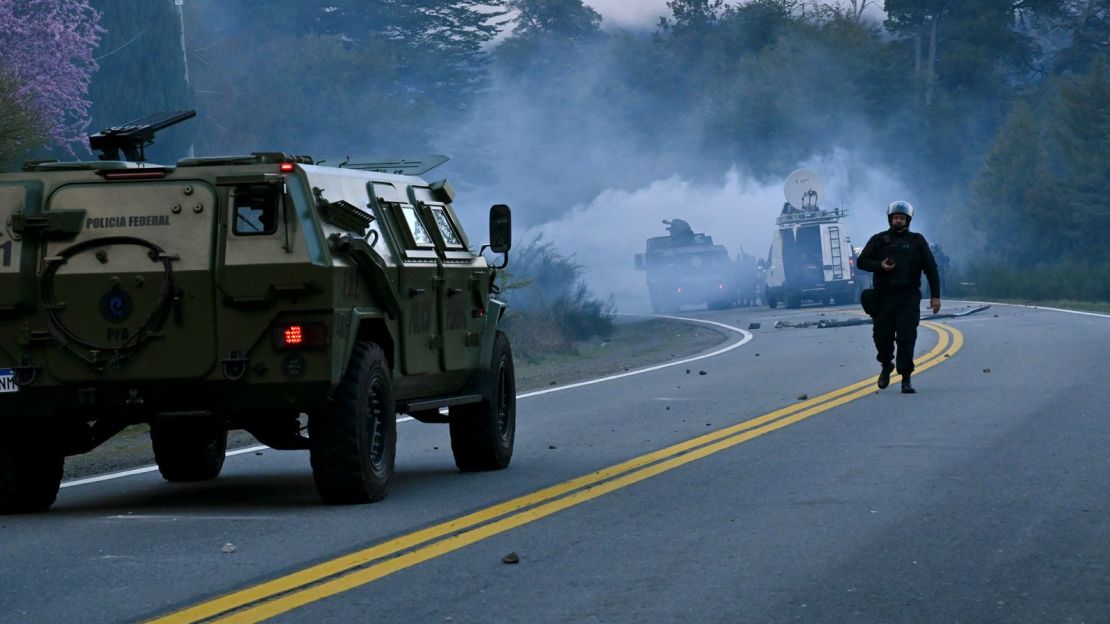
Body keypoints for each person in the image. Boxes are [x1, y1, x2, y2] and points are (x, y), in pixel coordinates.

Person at [856, 201, 941, 394]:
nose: (898, 221)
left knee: (907, 337)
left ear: (908, 220)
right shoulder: (879, 240)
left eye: (902, 218)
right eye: (895, 218)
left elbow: (931, 269)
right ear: (890, 219)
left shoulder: (917, 241)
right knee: (882, 337)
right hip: (884, 296)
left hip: (908, 296)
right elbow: (861, 262)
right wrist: (880, 266)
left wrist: (935, 296)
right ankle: (886, 365)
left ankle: (906, 379)